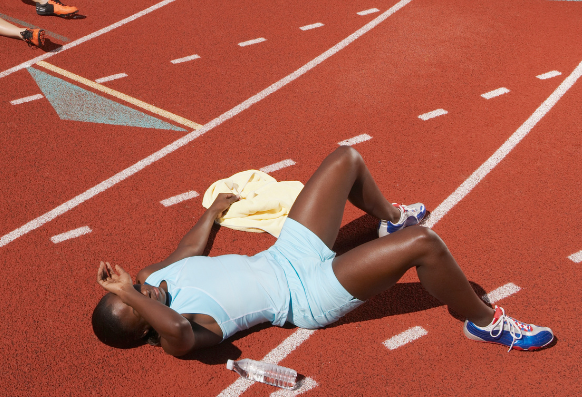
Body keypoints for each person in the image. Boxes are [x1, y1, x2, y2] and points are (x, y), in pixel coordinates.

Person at [93, 146, 553, 354]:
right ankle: (484, 323)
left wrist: (215, 210)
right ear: (142, 330)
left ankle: (389, 215)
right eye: (136, 300)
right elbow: (174, 326)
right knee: (422, 245)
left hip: (284, 255)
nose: (144, 289)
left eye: (134, 285)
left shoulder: (156, 280)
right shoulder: (177, 335)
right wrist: (133, 297)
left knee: (345, 158)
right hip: (306, 295)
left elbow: (188, 249)